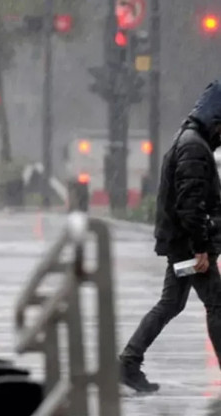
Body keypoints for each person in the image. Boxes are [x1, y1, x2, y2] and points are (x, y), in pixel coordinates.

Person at [120, 80, 221, 393]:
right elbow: (191, 203)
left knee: (171, 303)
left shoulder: (188, 139)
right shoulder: (193, 147)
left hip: (183, 245)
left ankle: (128, 361)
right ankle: (128, 361)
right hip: (190, 248)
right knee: (217, 305)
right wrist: (201, 248)